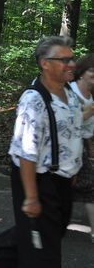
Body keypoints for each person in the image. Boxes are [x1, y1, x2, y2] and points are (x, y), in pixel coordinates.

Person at [0, 36, 94, 267]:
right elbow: (26, 152)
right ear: (45, 63)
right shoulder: (33, 100)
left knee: (52, 231)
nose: (72, 64)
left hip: (62, 179)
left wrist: (73, 170)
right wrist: (31, 198)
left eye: (71, 59)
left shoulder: (70, 93)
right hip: (39, 179)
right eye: (64, 60)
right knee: (47, 251)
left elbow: (70, 131)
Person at [70, 54, 94, 243]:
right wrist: (88, 111)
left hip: (80, 151)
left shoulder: (90, 98)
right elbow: (71, 123)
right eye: (92, 70)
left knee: (89, 189)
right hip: (62, 152)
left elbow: (86, 131)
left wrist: (89, 149)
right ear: (81, 72)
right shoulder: (69, 93)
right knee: (60, 191)